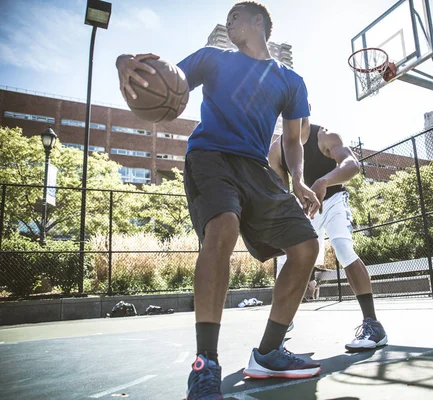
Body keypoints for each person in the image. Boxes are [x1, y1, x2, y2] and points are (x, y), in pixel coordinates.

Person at [116, 2, 322, 399]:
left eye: (235, 16)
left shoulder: (290, 80)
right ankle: (205, 363)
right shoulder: (211, 59)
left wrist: (298, 179)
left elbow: (294, 140)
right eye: (226, 18)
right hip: (210, 156)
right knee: (223, 226)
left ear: (258, 21)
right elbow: (159, 76)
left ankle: (269, 353)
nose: (229, 21)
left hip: (256, 168)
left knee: (307, 246)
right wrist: (123, 61)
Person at [269, 117, 388, 353]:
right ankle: (280, 325)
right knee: (286, 261)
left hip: (333, 200)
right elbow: (280, 190)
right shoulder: (276, 149)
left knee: (343, 249)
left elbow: (352, 165)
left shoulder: (324, 136)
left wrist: (324, 181)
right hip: (304, 208)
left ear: (307, 108)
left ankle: (374, 326)